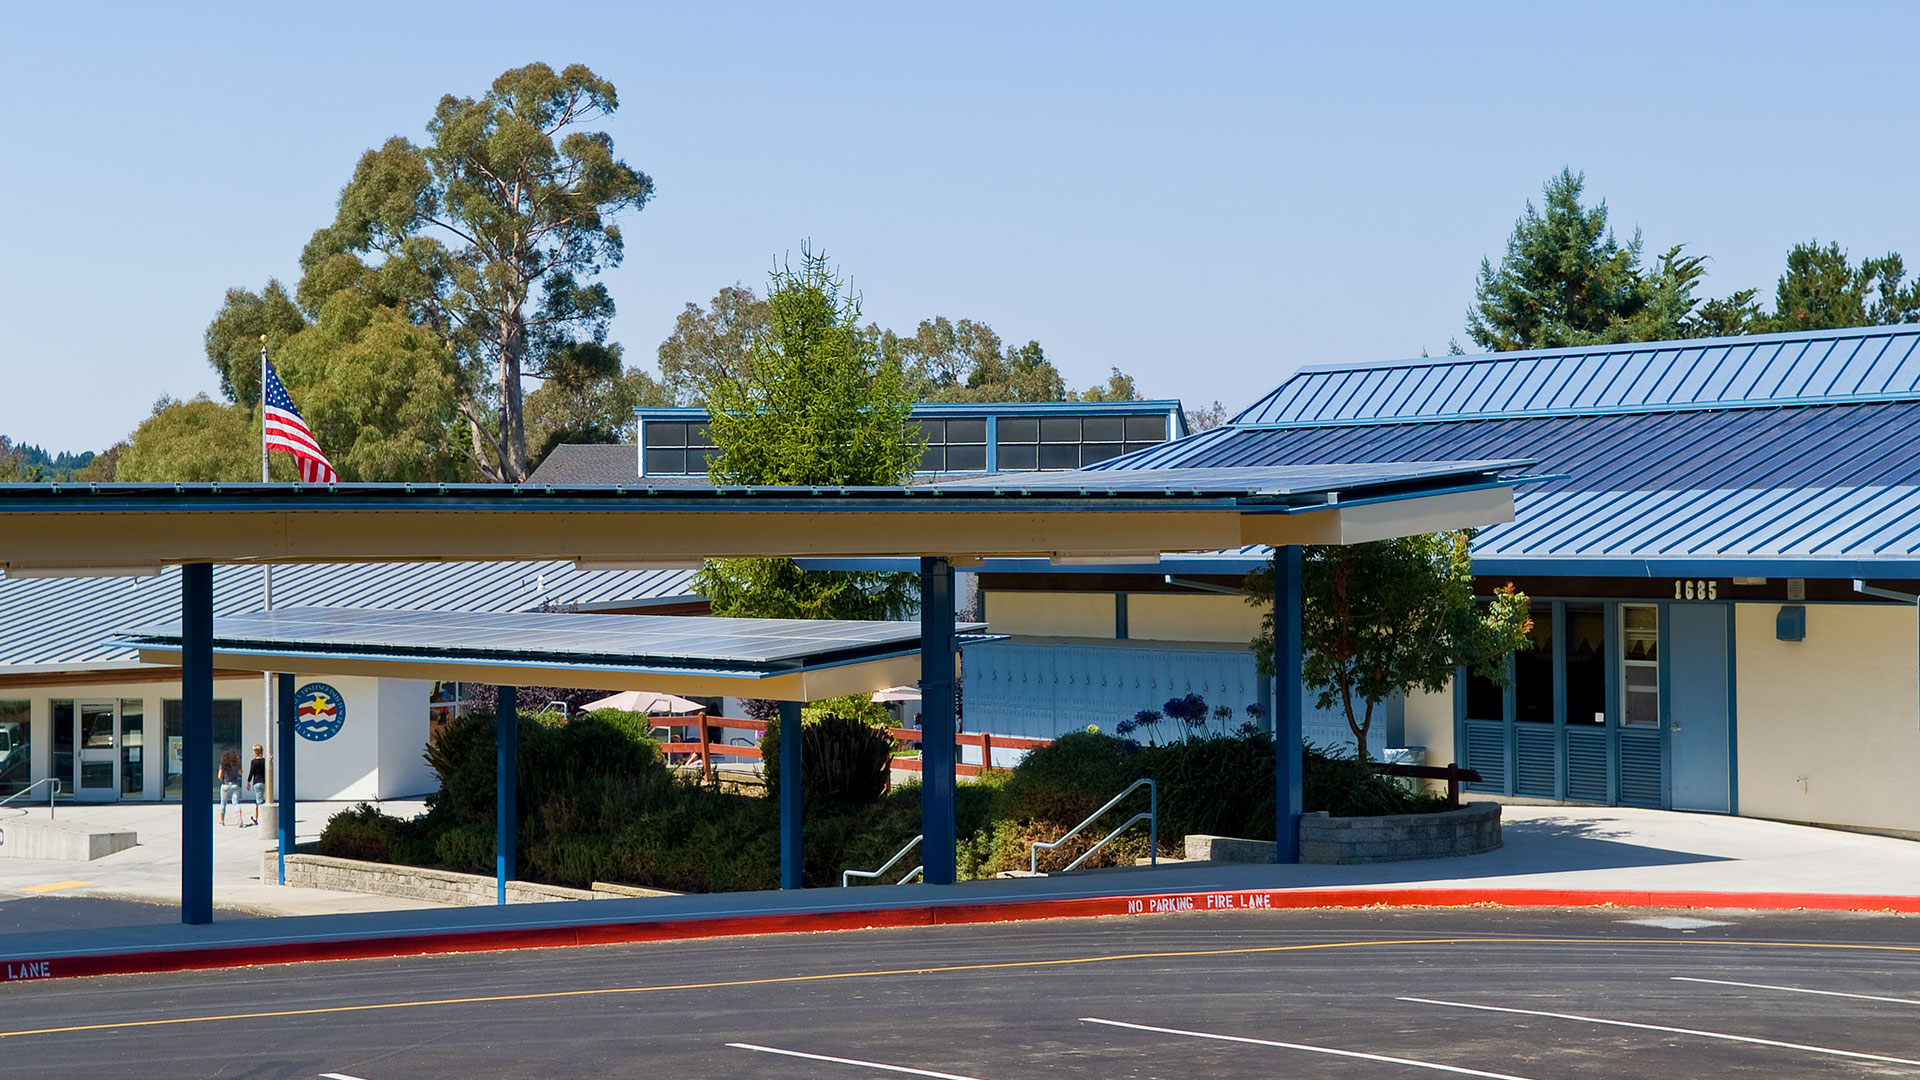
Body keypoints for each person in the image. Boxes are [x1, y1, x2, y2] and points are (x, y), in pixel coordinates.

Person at [217, 748, 242, 827]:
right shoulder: (237, 764)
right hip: (235, 784)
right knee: (236, 803)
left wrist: (224, 778)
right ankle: (240, 819)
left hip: (225, 785)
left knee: (223, 803)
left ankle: (222, 821)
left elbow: (219, 776)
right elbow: (240, 773)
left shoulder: (223, 765)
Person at [246, 744, 266, 827]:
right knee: (260, 799)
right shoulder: (265, 760)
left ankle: (262, 818)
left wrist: (248, 781)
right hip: (264, 782)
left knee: (259, 801)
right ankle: (256, 817)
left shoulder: (254, 762)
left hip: (257, 782)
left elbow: (251, 773)